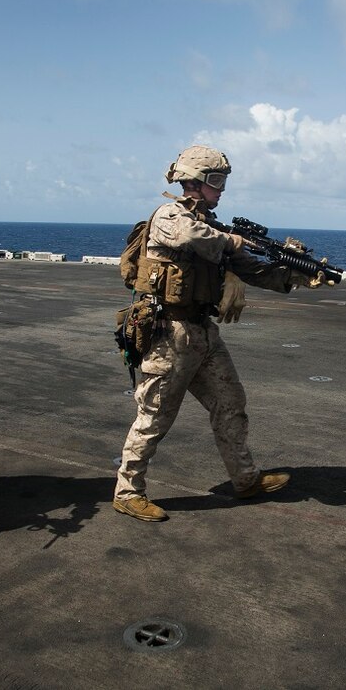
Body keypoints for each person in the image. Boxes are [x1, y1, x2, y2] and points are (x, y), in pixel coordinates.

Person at [113, 145, 325, 521]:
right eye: (215, 180)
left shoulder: (216, 229)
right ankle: (128, 491)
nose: (222, 188)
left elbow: (256, 271)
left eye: (223, 180)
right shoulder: (170, 216)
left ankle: (245, 479)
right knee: (155, 416)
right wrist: (234, 241)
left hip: (202, 332)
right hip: (168, 333)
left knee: (231, 404)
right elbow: (194, 238)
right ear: (191, 181)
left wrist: (298, 273)